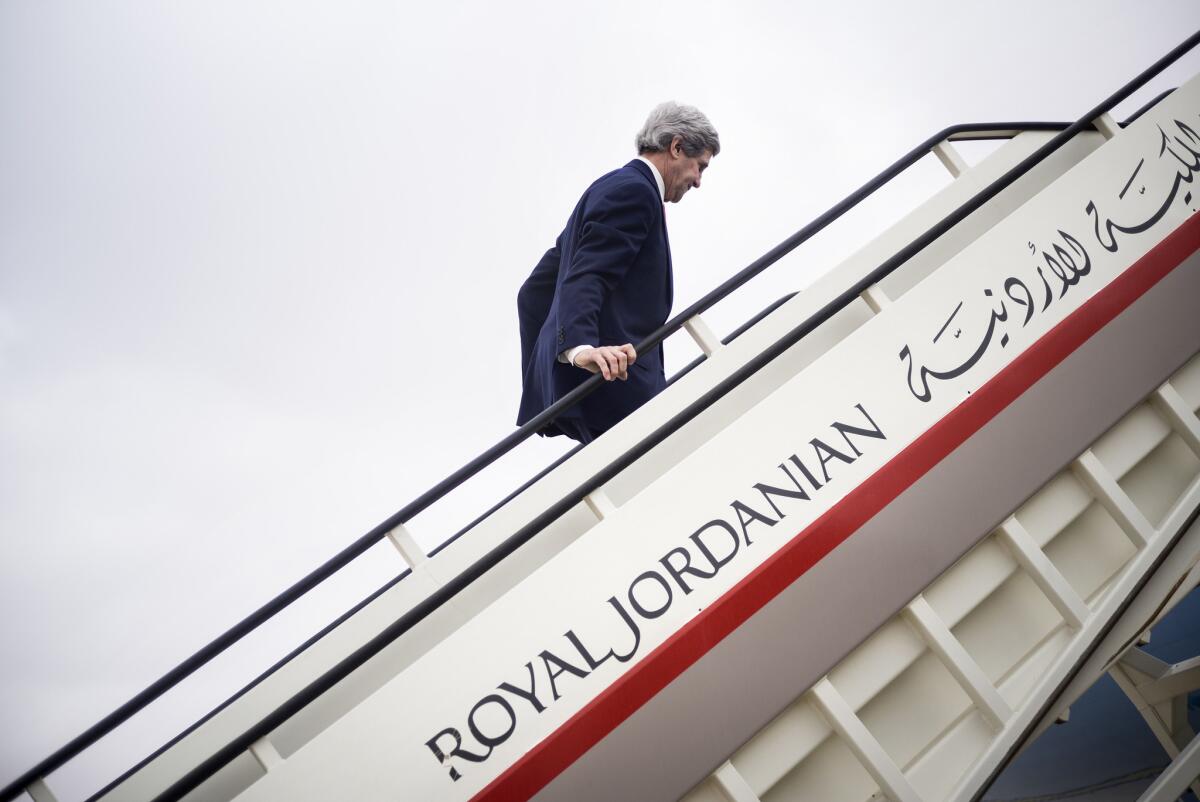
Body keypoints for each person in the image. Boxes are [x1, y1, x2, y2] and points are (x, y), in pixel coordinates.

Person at [516, 102, 720, 444]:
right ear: (676, 147)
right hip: (617, 383)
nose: (698, 181)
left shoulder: (609, 186)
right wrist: (580, 349)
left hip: (597, 388)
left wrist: (549, 375)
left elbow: (535, 292)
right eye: (700, 167)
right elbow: (588, 274)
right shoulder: (635, 192)